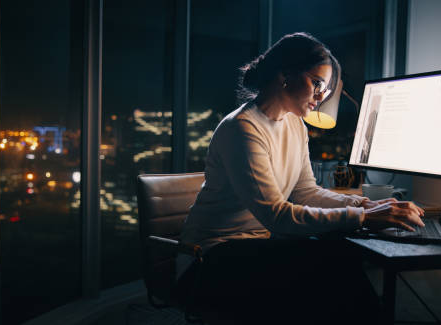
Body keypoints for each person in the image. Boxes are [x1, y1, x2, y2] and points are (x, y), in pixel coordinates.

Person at [176, 32, 425, 324]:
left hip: (255, 248)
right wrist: (362, 217)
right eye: (317, 83)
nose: (322, 96)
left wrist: (364, 205)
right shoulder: (242, 129)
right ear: (285, 74)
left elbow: (306, 191)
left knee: (337, 260)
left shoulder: (295, 125)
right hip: (209, 260)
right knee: (330, 263)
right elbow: (277, 216)